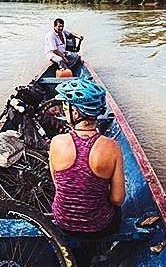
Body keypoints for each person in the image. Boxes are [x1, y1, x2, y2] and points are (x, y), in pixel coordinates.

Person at [49, 78, 125, 237]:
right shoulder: (112, 147)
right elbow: (117, 199)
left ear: (75, 112)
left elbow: (58, 184)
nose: (64, 112)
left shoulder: (56, 142)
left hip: (63, 223)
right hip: (100, 227)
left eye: (65, 107)